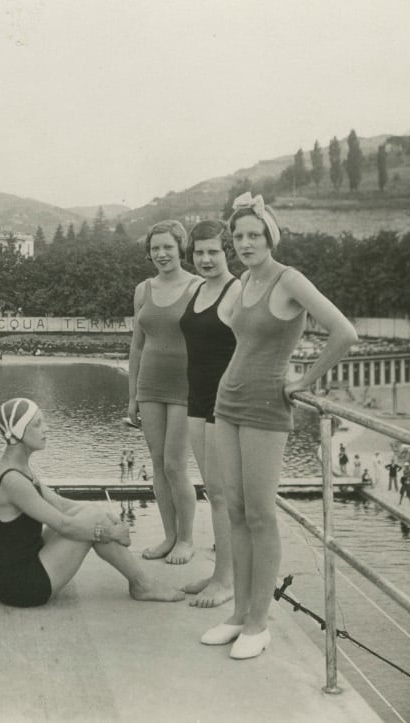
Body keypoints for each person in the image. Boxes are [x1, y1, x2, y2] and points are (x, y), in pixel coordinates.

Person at [203, 193, 357, 660]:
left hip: (268, 406)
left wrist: (304, 379)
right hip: (227, 401)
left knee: (259, 514)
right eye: (238, 236)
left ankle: (259, 622)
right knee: (233, 510)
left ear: (271, 237)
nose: (245, 243)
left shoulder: (289, 280)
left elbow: (344, 332)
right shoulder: (243, 281)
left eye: (254, 235)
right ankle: (237, 616)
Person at [0, 398, 183, 607]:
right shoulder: (13, 480)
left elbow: (61, 505)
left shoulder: (18, 467)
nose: (46, 428)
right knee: (92, 522)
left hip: (26, 563)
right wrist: (109, 533)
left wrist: (108, 519)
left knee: (93, 513)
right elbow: (63, 525)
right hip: (21, 587)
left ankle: (141, 582)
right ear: (18, 433)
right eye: (37, 424)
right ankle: (142, 584)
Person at [127, 219, 201, 564]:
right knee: (158, 465)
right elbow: (137, 346)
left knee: (175, 465)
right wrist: (132, 395)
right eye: (155, 248)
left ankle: (186, 539)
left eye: (168, 247)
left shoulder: (200, 287)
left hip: (187, 385)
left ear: (180, 249)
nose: (161, 254)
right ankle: (169, 537)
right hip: (150, 385)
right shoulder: (143, 290)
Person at [177, 219, 240, 608]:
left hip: (224, 401)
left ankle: (226, 580)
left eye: (213, 252)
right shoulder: (199, 289)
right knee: (213, 490)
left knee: (223, 495)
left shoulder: (238, 291)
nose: (205, 259)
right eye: (199, 252)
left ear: (226, 253)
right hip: (196, 399)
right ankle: (220, 574)